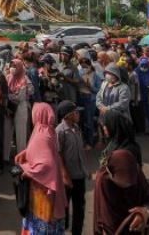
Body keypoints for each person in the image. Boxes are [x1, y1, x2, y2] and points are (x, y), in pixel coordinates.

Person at [14, 102, 67, 235]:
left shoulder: (41, 134)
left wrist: (27, 172)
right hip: (47, 187)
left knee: (41, 225)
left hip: (42, 190)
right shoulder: (47, 130)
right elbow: (43, 152)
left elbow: (46, 164)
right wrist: (26, 152)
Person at [92, 149, 149, 234]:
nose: (128, 188)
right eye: (123, 184)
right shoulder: (103, 182)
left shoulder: (137, 173)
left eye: (130, 185)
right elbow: (105, 219)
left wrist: (145, 212)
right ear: (111, 175)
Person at [56, 100, 88, 235]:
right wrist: (64, 175)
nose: (78, 114)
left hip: (80, 175)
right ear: (67, 115)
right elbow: (57, 154)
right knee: (64, 208)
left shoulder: (76, 128)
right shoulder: (60, 131)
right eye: (75, 112)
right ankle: (63, 230)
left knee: (79, 208)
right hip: (67, 178)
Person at [5, 58, 33, 166]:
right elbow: (5, 92)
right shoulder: (8, 77)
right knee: (7, 131)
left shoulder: (24, 78)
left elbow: (28, 92)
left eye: (15, 66)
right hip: (9, 107)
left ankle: (21, 157)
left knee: (21, 133)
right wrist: (14, 95)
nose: (12, 68)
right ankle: (5, 157)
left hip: (21, 108)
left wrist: (23, 93)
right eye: (11, 66)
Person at [134, 59, 149, 135]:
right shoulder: (136, 72)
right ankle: (144, 129)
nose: (144, 67)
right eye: (142, 65)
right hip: (139, 96)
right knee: (142, 112)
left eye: (145, 65)